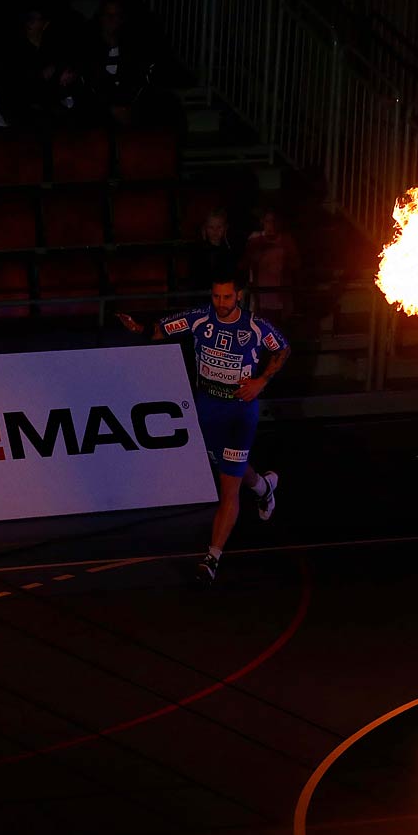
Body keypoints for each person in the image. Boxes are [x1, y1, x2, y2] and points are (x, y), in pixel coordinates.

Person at [117, 274, 289, 584]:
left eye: (226, 297)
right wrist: (139, 329)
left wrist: (261, 381)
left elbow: (282, 350)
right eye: (216, 297)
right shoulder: (198, 320)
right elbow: (160, 330)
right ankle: (264, 488)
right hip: (207, 408)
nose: (221, 303)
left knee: (228, 486)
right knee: (228, 466)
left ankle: (212, 558)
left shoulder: (255, 327)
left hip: (240, 413)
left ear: (238, 296)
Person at [244, 207, 301, 315]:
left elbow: (296, 264)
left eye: (274, 221)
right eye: (268, 221)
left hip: (281, 299)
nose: (271, 225)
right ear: (262, 222)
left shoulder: (286, 241)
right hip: (259, 299)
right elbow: (245, 263)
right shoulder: (254, 240)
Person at [187, 208, 237, 290]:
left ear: (225, 228)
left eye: (219, 227)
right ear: (205, 228)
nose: (215, 231)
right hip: (203, 295)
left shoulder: (229, 250)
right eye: (211, 227)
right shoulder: (198, 251)